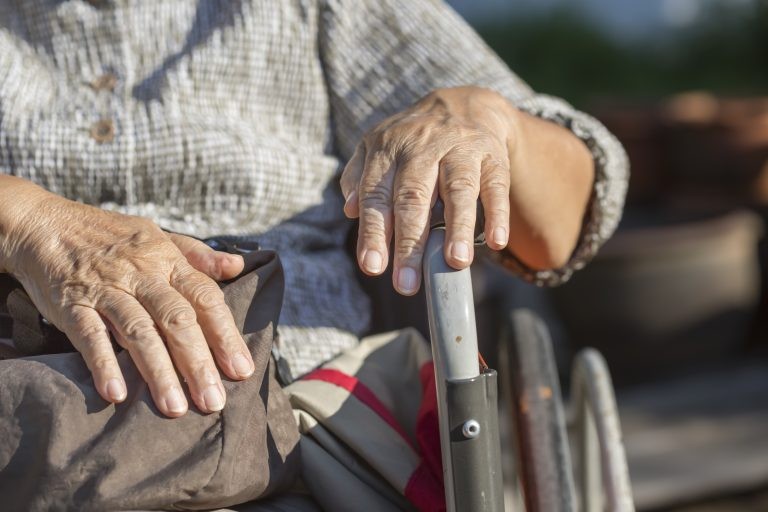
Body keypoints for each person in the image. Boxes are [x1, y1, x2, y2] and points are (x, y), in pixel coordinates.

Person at [0, 0, 627, 507]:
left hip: (296, 411)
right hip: (28, 416)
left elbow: (563, 227)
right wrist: (25, 219)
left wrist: (486, 116)